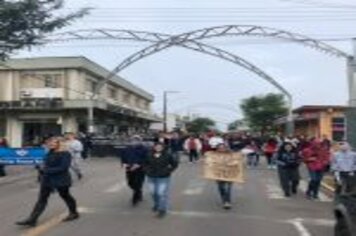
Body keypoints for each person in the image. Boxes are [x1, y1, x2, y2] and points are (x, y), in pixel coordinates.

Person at [16, 137, 79, 227]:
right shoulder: (50, 152)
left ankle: (73, 213)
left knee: (65, 196)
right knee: (42, 199)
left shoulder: (65, 154)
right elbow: (46, 164)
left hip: (61, 179)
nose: (51, 144)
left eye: (54, 143)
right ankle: (32, 219)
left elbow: (63, 168)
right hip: (47, 179)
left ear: (59, 144)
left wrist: (46, 170)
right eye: (50, 143)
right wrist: (39, 167)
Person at [144, 142, 178, 218]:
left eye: (160, 147)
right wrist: (146, 170)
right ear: (154, 147)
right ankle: (156, 204)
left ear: (163, 147)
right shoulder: (149, 154)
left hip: (163, 177)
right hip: (151, 176)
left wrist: (168, 170)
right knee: (153, 192)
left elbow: (174, 164)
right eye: (156, 146)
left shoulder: (168, 155)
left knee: (161, 193)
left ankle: (162, 209)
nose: (158, 148)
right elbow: (144, 163)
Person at [121, 135, 148, 206]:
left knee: (138, 183)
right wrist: (124, 163)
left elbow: (146, 159)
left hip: (140, 169)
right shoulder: (126, 149)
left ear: (140, 141)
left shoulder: (144, 149)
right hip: (129, 169)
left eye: (137, 140)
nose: (134, 141)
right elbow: (123, 158)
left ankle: (135, 199)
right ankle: (139, 192)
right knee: (130, 183)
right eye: (133, 140)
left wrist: (139, 164)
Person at [214, 143, 234, 210]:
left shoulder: (231, 155)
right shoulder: (214, 156)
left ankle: (227, 202)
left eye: (223, 148)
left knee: (228, 189)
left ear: (225, 148)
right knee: (221, 188)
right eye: (220, 148)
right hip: (219, 174)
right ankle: (224, 200)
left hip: (229, 174)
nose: (221, 149)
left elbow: (236, 162)